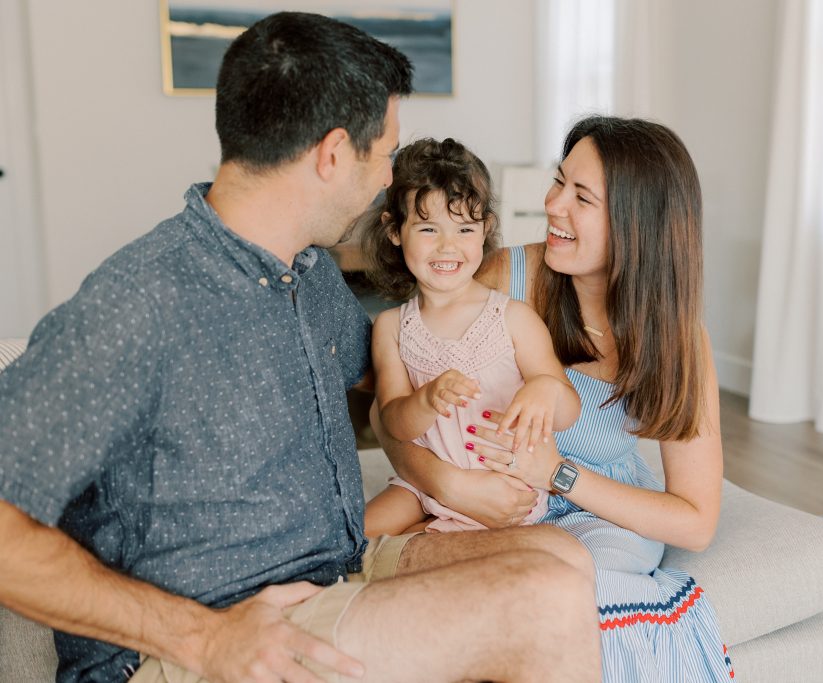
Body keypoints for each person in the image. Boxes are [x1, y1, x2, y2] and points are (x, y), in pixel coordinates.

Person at [0, 13, 600, 683]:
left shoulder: (312, 282)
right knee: (546, 603)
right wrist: (201, 637)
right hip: (196, 644)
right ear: (334, 153)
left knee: (564, 559)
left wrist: (450, 477)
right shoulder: (137, 304)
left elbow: (388, 407)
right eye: (386, 154)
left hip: (333, 575)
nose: (386, 181)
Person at [379, 116, 736, 681]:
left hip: (600, 509)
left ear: (635, 225)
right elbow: (390, 411)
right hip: (477, 492)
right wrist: (448, 485)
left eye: (581, 196)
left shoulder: (678, 341)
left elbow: (694, 522)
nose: (552, 203)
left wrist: (557, 474)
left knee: (549, 598)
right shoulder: (500, 277)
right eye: (558, 180)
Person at [359, 137, 580, 535]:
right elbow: (393, 422)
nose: (448, 246)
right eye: (428, 228)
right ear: (394, 230)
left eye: (464, 228)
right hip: (423, 484)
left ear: (485, 229)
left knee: (458, 564)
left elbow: (568, 411)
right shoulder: (391, 327)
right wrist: (425, 400)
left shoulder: (513, 318)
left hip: (504, 488)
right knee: (357, 535)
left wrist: (546, 390)